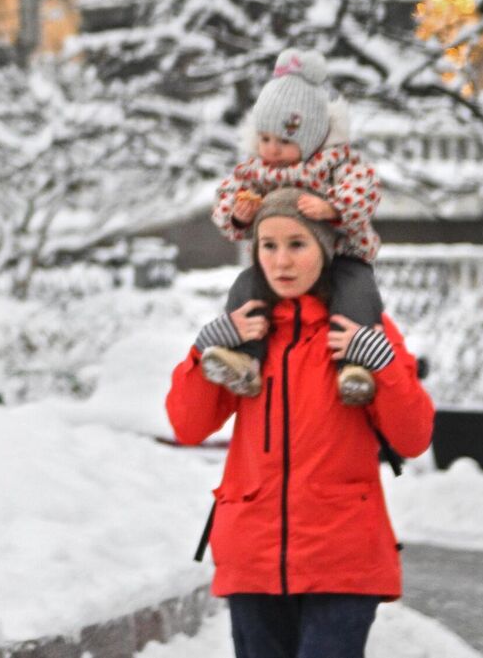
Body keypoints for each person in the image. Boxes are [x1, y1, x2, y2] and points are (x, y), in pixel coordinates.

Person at [167, 188, 434, 658]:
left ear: (326, 249)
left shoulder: (360, 329)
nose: (281, 260)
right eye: (268, 245)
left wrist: (380, 363)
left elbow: (412, 437)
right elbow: (188, 425)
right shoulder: (246, 335)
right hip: (253, 555)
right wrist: (207, 346)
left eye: (297, 244)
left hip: (342, 556)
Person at [206, 50, 388, 407]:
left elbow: (365, 186)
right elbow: (226, 195)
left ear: (311, 138)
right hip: (282, 263)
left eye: (284, 141)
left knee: (358, 292)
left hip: (341, 256)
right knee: (247, 286)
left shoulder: (333, 161)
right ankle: (245, 359)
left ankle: (354, 367)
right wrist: (240, 214)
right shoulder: (255, 172)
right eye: (265, 138)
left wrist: (333, 205)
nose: (271, 150)